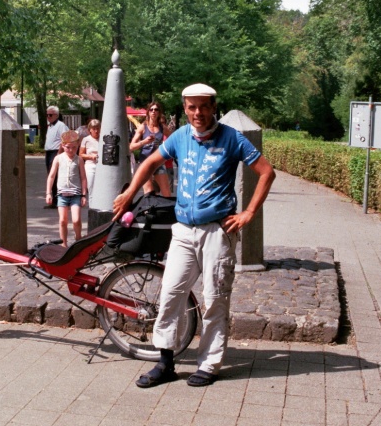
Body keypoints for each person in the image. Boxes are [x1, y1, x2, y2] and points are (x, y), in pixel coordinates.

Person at [113, 83, 276, 389]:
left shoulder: (232, 139)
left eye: (203, 106)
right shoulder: (179, 137)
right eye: (191, 107)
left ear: (214, 107)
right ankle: (166, 363)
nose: (197, 113)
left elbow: (266, 172)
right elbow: (150, 162)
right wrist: (129, 194)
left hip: (217, 230)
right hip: (184, 231)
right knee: (170, 294)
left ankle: (210, 364)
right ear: (185, 108)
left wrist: (249, 213)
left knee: (214, 298)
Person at [46, 130, 87, 247]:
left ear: (77, 146)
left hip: (76, 194)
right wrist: (48, 193)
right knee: (63, 220)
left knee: (76, 220)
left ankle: (78, 237)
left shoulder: (79, 159)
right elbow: (51, 176)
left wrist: (83, 195)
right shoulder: (58, 158)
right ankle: (63, 243)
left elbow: (83, 178)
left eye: (74, 148)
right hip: (62, 194)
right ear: (63, 145)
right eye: (68, 147)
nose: (71, 150)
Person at [130, 101, 173, 197]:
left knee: (166, 193)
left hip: (158, 162)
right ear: (148, 112)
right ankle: (149, 212)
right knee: (148, 193)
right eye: (151, 109)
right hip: (145, 162)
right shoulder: (143, 127)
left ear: (159, 113)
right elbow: (131, 147)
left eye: (156, 110)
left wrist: (166, 147)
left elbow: (173, 140)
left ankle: (168, 211)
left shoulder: (163, 128)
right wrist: (144, 141)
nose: (153, 111)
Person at [44, 105, 69, 208]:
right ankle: (54, 199)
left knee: (54, 175)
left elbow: (65, 138)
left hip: (55, 152)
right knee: (50, 175)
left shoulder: (60, 125)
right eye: (47, 115)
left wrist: (59, 153)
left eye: (50, 115)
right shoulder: (50, 126)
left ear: (56, 115)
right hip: (49, 152)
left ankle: (57, 200)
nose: (48, 117)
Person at [79, 119, 100, 197]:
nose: (96, 131)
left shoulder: (103, 139)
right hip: (90, 166)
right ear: (90, 130)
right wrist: (91, 156)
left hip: (101, 166)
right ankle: (91, 205)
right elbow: (81, 154)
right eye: (94, 129)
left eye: (98, 128)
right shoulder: (86, 139)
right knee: (91, 187)